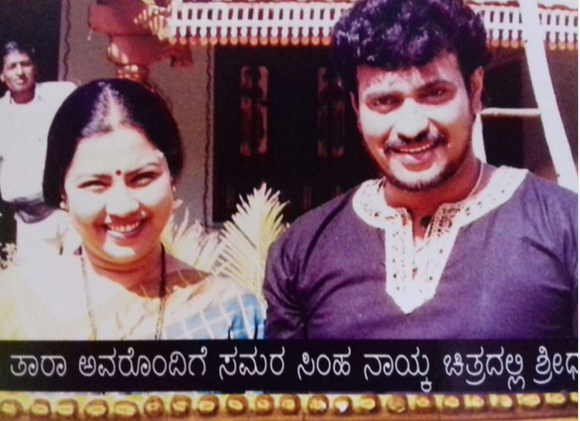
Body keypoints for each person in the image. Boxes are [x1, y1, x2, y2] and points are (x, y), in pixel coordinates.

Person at [264, 0, 578, 339]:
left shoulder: (565, 229)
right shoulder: (301, 252)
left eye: (435, 94)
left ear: (475, 91)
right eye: (384, 101)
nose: (411, 127)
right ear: (357, 108)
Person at [0, 79, 265, 340]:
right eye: (95, 184)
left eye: (143, 178)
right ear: (62, 191)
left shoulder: (229, 312)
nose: (123, 206)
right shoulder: (16, 306)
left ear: (173, 179)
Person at [0, 41, 76, 259]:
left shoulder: (61, 95)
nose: (20, 72)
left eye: (25, 64)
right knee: (37, 278)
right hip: (30, 219)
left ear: (35, 68)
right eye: (12, 66)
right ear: (2, 76)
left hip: (70, 212)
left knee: (78, 274)